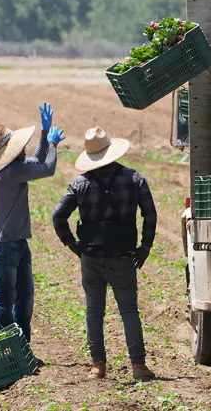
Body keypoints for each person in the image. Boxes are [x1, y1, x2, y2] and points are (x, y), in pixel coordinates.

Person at [52, 127, 157, 382]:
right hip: (123, 257)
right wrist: (145, 247)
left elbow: (58, 216)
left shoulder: (80, 183)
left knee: (94, 312)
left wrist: (73, 245)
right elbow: (150, 214)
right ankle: (139, 366)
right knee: (129, 312)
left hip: (91, 257)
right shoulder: (134, 179)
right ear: (111, 150)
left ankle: (98, 365)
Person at [0, 103, 65, 350]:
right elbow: (47, 168)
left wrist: (44, 133)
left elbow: (37, 160)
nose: (25, 149)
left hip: (17, 243)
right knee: (6, 302)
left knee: (25, 299)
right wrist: (52, 144)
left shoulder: (14, 168)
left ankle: (23, 350)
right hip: (3, 246)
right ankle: (8, 352)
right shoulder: (10, 172)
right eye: (21, 147)